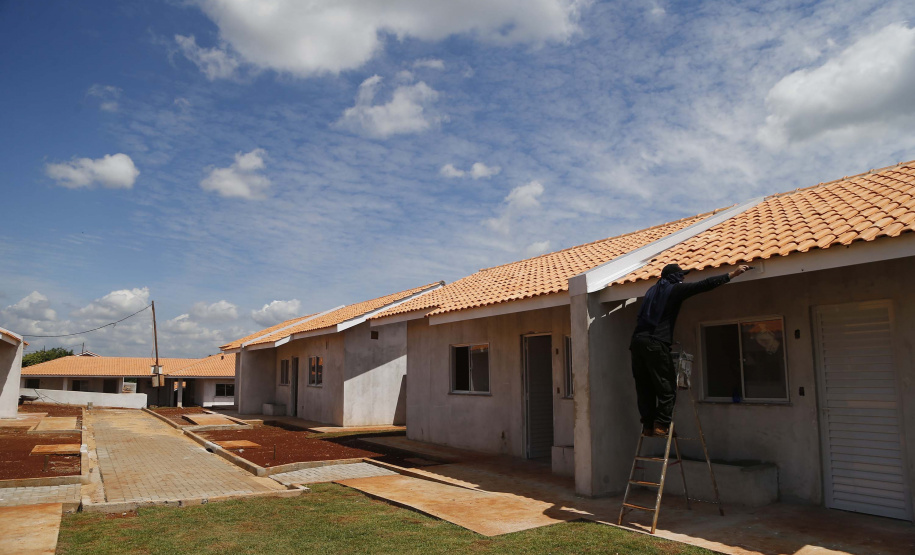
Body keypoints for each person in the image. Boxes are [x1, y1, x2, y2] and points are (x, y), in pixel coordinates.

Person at [630, 263, 750, 437]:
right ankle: (661, 425)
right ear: (673, 277)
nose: (683, 278)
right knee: (667, 386)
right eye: (681, 275)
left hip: (637, 343)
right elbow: (702, 285)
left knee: (644, 386)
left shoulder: (651, 291)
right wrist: (731, 274)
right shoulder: (674, 289)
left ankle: (648, 426)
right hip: (655, 343)